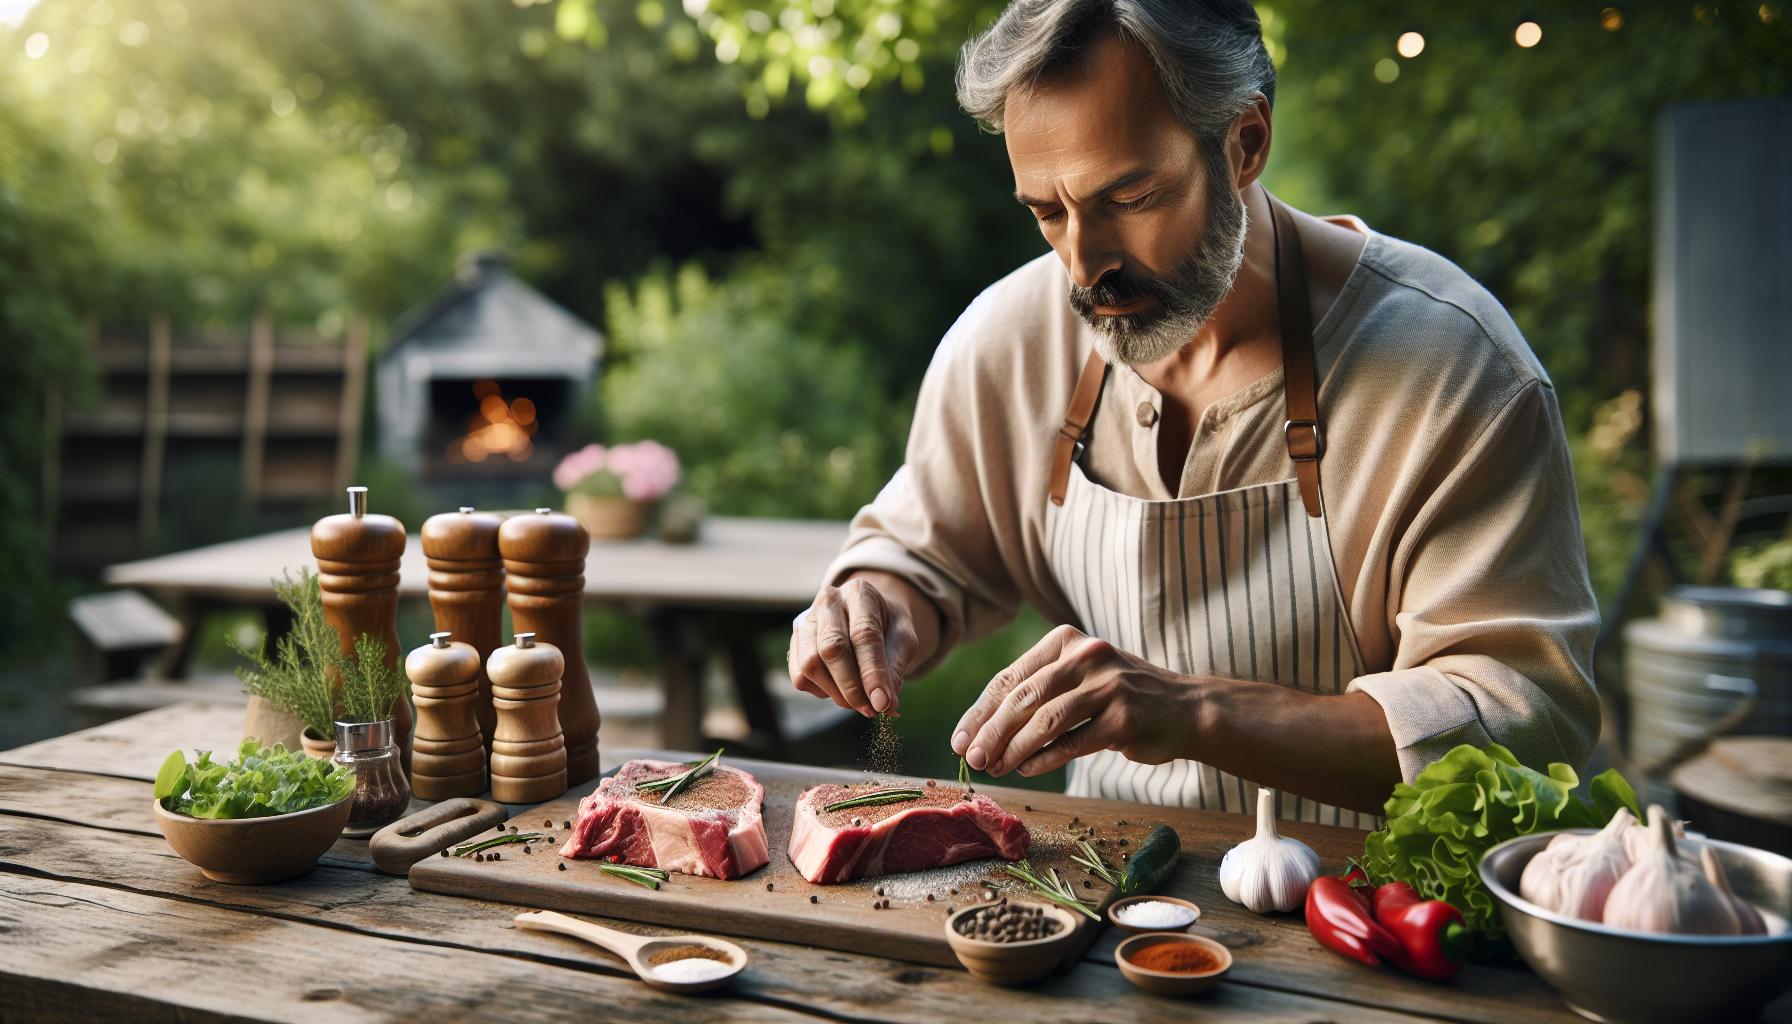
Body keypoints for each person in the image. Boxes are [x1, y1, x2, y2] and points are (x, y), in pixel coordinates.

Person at [786, 0, 1600, 824]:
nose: (1084, 264)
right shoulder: (1012, 339)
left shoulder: (1452, 368)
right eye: (1046, 212)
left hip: (1371, 906)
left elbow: (1520, 726)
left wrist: (1191, 712)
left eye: (1129, 196)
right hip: (1110, 884)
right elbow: (929, 556)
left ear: (1244, 144)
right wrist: (874, 604)